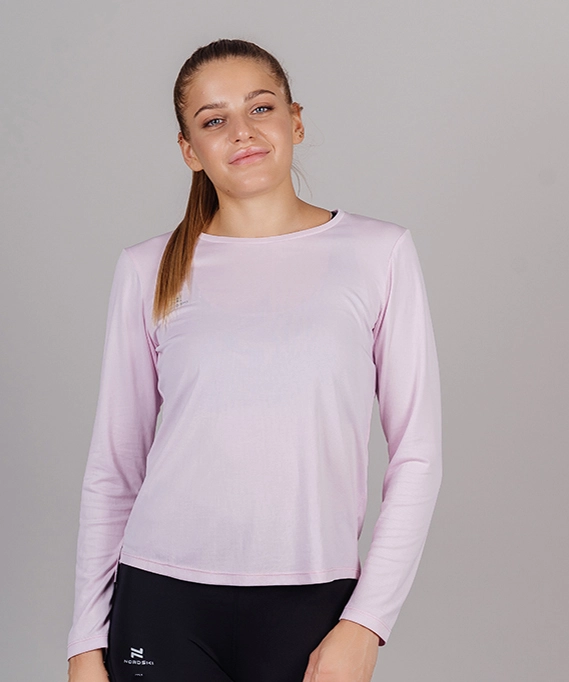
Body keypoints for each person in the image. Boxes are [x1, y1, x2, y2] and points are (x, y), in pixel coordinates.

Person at [66, 38, 443, 682]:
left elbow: (418, 456)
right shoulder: (146, 269)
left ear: (296, 121)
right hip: (160, 598)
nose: (241, 132)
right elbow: (114, 467)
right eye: (213, 120)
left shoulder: (379, 254)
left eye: (260, 108)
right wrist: (84, 640)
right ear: (190, 150)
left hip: (313, 601)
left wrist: (367, 622)